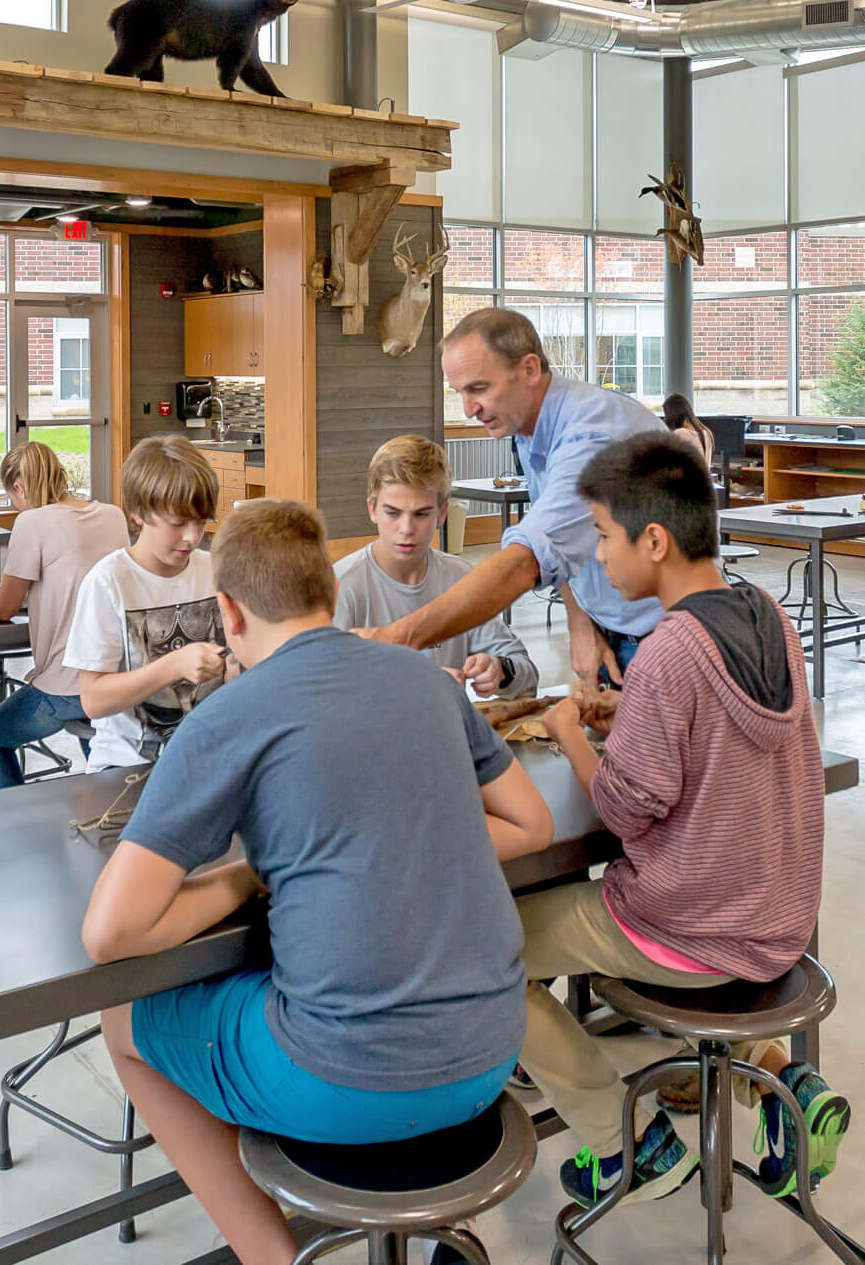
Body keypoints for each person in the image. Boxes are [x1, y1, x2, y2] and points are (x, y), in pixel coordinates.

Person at [82, 499, 556, 1265]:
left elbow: (112, 934)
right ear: (331, 595)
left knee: (122, 1023)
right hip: (495, 1051)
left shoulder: (226, 720)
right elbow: (531, 827)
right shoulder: (427, 681)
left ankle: (270, 1252)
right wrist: (405, 848)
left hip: (345, 1081)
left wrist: (242, 878)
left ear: (228, 613)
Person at [528, 434, 843, 1207]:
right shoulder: (766, 614)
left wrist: (570, 732)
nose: (599, 558)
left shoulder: (670, 652)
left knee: (478, 955)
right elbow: (717, 740)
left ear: (655, 540)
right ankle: (776, 1079)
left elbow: (627, 811)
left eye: (604, 536)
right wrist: (629, 709)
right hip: (775, 917)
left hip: (690, 928)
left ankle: (621, 1142)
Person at [362, 308, 666, 692]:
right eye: (459, 393)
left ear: (529, 369)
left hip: (662, 635)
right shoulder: (529, 429)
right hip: (610, 630)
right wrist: (580, 618)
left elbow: (528, 560)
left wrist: (399, 638)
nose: (469, 410)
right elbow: (565, 545)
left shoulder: (590, 437)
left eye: (478, 389)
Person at [62, 434, 229, 769]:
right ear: (138, 513)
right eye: (178, 523)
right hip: (127, 766)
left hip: (206, 761)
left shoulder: (214, 570)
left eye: (201, 521)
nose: (192, 537)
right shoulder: (108, 582)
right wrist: (175, 666)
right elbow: (93, 700)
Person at [0, 441, 130, 790]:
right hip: (117, 682)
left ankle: (9, 830)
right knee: (98, 730)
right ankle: (110, 802)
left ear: (19, 487)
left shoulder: (32, 521)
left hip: (65, 689)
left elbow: (3, 607)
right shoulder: (111, 514)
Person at [332, 435, 539, 698]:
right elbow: (324, 695)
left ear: (442, 512)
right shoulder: (340, 587)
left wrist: (500, 670)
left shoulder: (461, 578)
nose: (406, 529)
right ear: (372, 509)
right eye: (393, 513)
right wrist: (421, 684)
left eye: (421, 514)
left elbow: (528, 676)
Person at [660, 392, 717, 473]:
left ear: (673, 414)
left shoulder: (680, 434)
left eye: (666, 415)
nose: (666, 419)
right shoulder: (707, 433)